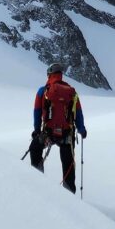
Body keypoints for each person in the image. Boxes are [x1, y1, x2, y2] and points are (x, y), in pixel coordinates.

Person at [29, 62, 86, 194]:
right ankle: (69, 193)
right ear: (61, 75)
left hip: (47, 133)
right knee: (68, 165)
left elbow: (37, 112)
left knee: (35, 149)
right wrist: (81, 129)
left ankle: (37, 182)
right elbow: (78, 113)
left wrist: (37, 130)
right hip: (67, 134)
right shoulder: (72, 92)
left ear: (49, 74)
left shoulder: (42, 91)